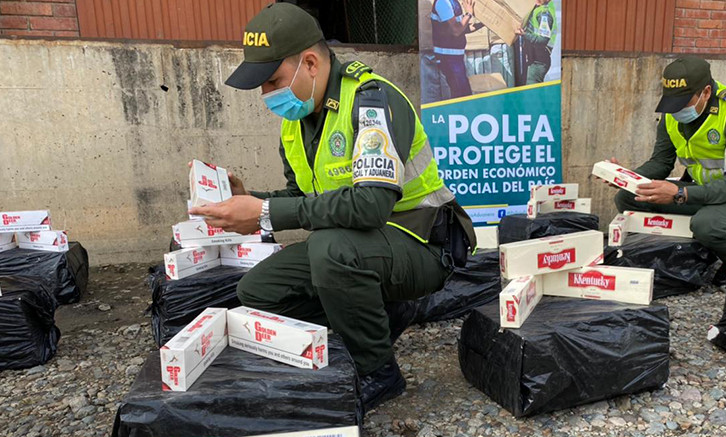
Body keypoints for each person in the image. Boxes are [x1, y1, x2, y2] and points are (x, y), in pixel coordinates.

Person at [190, 3, 476, 412]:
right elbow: (303, 196)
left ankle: (379, 371)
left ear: (309, 62)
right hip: (364, 244)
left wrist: (266, 214)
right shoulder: (297, 121)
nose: (267, 95)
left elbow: (371, 207)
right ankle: (368, 325)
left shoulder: (371, 102)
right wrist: (249, 202)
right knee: (257, 291)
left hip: (423, 243)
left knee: (331, 251)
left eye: (272, 81)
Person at [610, 56, 726, 285]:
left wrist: (679, 194)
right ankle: (687, 252)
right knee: (630, 196)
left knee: (707, 224)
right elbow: (661, 163)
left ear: (706, 92)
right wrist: (625, 177)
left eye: (683, 103)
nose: (676, 111)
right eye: (672, 103)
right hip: (707, 191)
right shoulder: (672, 113)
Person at [430, 0, 481, 98]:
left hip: (455, 58)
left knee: (462, 93)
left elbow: (462, 28)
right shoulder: (443, 3)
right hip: (447, 58)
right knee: (461, 95)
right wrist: (469, 13)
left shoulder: (453, 2)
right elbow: (456, 30)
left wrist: (483, 24)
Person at [517, 0, 557, 84]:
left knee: (531, 92)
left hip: (539, 61)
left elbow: (542, 40)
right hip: (533, 58)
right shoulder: (537, 7)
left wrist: (524, 34)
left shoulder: (544, 14)